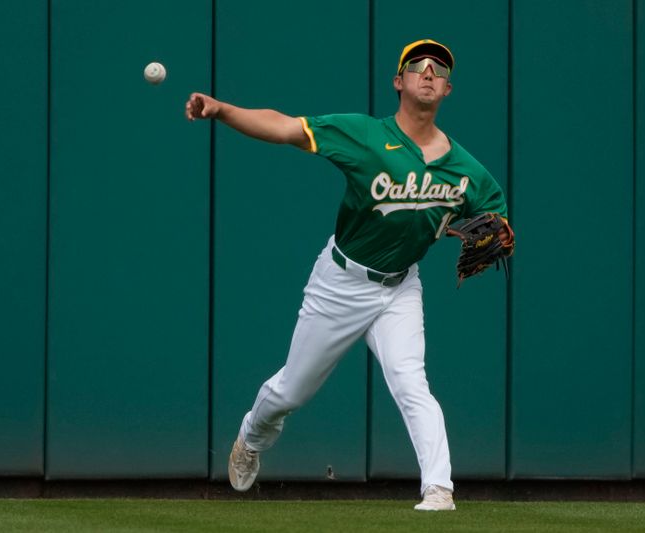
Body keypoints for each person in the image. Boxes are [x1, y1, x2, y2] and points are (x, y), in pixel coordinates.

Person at [185, 39, 512, 511]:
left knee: (410, 380)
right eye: (416, 66)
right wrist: (221, 110)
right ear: (398, 82)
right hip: (340, 283)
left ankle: (439, 488)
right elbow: (285, 128)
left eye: (437, 69)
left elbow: (496, 216)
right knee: (292, 388)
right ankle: (252, 435)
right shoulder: (363, 135)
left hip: (401, 286)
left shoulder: (465, 170)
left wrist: (497, 229)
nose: (427, 72)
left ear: (447, 89)